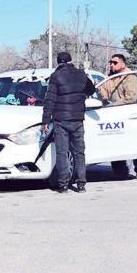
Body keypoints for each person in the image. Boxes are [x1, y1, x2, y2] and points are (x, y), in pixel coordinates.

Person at [42, 52, 96, 193]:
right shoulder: (81, 74)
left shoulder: (56, 76)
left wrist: (45, 120)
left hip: (61, 120)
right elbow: (91, 90)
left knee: (62, 152)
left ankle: (64, 185)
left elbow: (50, 100)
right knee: (79, 152)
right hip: (78, 119)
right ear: (71, 61)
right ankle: (81, 184)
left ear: (58, 62)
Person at [99, 53, 137, 179]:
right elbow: (104, 93)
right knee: (115, 142)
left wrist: (113, 105)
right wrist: (101, 94)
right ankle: (120, 170)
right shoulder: (110, 78)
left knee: (133, 143)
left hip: (129, 113)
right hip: (114, 115)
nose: (111, 65)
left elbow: (131, 97)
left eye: (115, 62)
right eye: (110, 62)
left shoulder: (130, 77)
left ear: (123, 64)